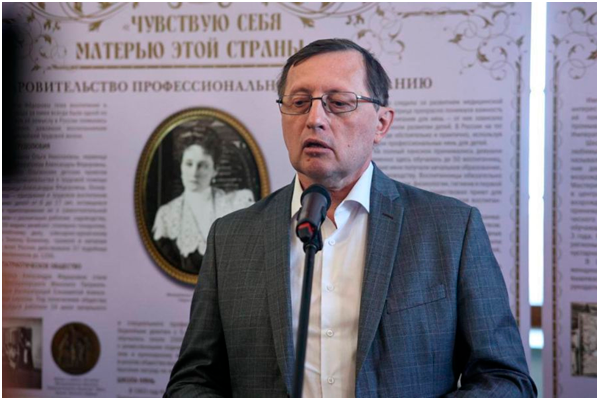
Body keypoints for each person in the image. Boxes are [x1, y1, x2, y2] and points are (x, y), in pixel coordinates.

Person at [164, 39, 537, 397]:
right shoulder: (231, 237)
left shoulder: (451, 229)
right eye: (299, 102)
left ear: (381, 124)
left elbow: (505, 379)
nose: (314, 119)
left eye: (339, 103)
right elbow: (193, 381)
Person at [152, 127, 255, 274]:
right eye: (189, 164)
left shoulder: (235, 205)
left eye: (203, 165)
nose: (194, 173)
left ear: (215, 170)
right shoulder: (167, 215)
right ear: (181, 166)